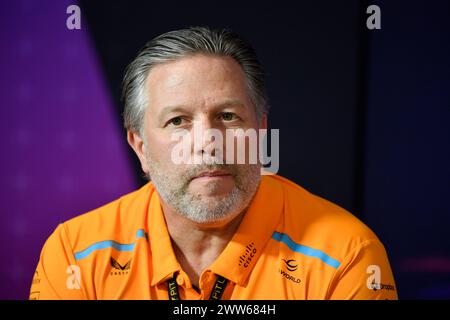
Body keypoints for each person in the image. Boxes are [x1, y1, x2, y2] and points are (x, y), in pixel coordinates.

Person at [29, 26, 397, 300]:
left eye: (228, 116)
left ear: (261, 131)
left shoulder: (346, 255)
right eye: (178, 121)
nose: (208, 142)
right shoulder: (75, 252)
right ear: (140, 147)